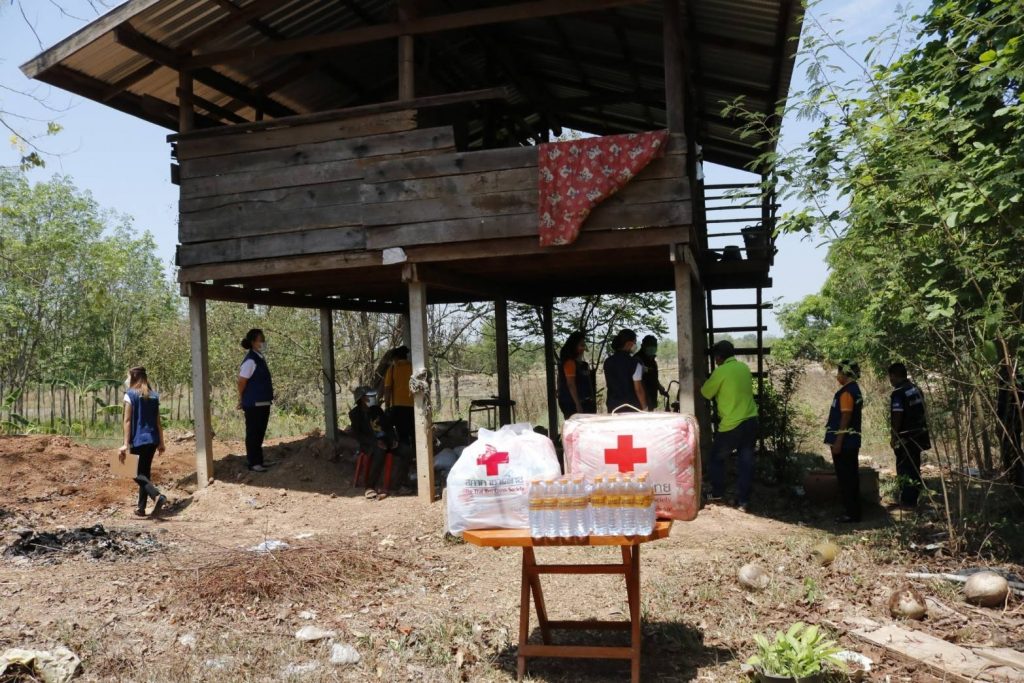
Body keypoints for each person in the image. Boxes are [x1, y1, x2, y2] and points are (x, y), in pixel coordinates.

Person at [700, 340, 759, 510]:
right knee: (745, 461)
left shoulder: (721, 371)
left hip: (733, 424)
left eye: (715, 358)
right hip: (751, 420)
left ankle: (717, 493)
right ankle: (743, 500)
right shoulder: (744, 368)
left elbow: (706, 393)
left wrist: (699, 384)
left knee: (715, 458)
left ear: (719, 357)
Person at [119, 366, 168, 518]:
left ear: (133, 377)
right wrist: (161, 442)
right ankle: (141, 508)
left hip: (138, 440)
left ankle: (157, 495)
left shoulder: (130, 395)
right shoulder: (154, 395)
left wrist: (125, 444)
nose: (127, 379)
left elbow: (127, 421)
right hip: (152, 439)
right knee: (144, 473)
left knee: (133, 472)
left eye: (128, 376)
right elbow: (158, 422)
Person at [349, 386, 411, 499]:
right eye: (370, 396)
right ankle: (370, 487)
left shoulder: (377, 410)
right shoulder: (355, 414)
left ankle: (401, 484)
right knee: (379, 451)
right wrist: (375, 442)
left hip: (386, 441)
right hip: (369, 444)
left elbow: (388, 427)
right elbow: (358, 435)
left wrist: (393, 439)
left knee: (407, 451)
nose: (373, 398)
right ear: (362, 399)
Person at [888, 362, 931, 508]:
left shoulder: (898, 393)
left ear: (893, 376)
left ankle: (907, 501)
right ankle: (913, 498)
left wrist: (894, 436)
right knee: (914, 467)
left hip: (905, 437)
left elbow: (897, 415)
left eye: (890, 377)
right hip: (919, 435)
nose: (890, 380)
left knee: (904, 468)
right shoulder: (916, 389)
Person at [825, 360, 864, 523]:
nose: (837, 376)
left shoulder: (847, 392)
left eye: (838, 372)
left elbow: (846, 417)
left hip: (845, 444)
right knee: (850, 477)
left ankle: (851, 513)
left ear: (844, 373)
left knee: (847, 479)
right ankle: (853, 512)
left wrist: (838, 442)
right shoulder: (853, 390)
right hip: (850, 442)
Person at [237, 328, 273, 473]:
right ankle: (253, 463)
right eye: (261, 340)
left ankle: (259, 461)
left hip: (263, 403)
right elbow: (241, 382)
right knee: (253, 433)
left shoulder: (259, 358)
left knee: (260, 433)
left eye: (264, 339)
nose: (263, 342)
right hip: (254, 404)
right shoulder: (250, 360)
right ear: (253, 342)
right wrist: (242, 398)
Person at [603, 329, 647, 412]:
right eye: (634, 342)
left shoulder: (607, 362)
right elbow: (638, 389)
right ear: (629, 343)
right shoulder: (635, 363)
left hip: (613, 407)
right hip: (631, 408)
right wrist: (645, 408)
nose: (635, 345)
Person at [557, 332, 596, 418]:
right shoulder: (569, 363)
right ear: (574, 346)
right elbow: (571, 384)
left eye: (584, 345)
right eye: (581, 345)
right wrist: (578, 404)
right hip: (572, 404)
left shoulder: (582, 364)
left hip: (583, 402)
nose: (583, 348)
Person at [383, 346, 414, 445]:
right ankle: (416, 452)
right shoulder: (413, 368)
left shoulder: (392, 369)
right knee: (414, 432)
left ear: (396, 357)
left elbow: (387, 389)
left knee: (402, 435)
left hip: (398, 407)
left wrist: (387, 406)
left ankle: (405, 451)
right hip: (413, 406)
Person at [638, 335, 668, 411]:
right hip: (641, 401)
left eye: (654, 345)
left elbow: (653, 377)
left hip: (651, 397)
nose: (652, 348)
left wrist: (659, 387)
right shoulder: (637, 360)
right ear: (642, 346)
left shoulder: (652, 360)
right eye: (649, 345)